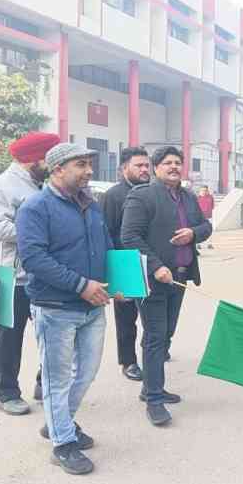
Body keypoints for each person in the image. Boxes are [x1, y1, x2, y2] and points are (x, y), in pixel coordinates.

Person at [17, 143, 114, 476]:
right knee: (57, 380)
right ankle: (62, 444)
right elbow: (34, 260)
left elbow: (105, 246)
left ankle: (57, 423)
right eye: (81, 165)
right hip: (56, 307)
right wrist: (81, 286)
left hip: (93, 306)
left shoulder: (90, 204)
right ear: (57, 169)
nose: (89, 171)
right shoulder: (35, 207)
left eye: (89, 165)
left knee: (85, 373)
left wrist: (119, 283)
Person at [121, 146, 212, 427]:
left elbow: (206, 226)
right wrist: (156, 266)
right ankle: (154, 400)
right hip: (153, 280)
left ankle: (151, 386)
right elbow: (129, 236)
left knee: (166, 334)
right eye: (168, 163)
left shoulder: (187, 197)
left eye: (178, 162)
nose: (174, 167)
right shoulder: (142, 195)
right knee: (156, 336)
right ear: (156, 167)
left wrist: (192, 233)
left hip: (181, 278)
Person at [0, 132, 60, 416]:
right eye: (49, 160)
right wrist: (35, 234)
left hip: (41, 274)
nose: (53, 166)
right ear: (35, 160)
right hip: (9, 275)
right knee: (9, 337)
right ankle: (6, 393)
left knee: (52, 331)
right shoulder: (1, 187)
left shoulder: (42, 185)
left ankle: (44, 383)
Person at [100, 147, 151, 381]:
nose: (144, 169)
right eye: (138, 165)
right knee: (127, 317)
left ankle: (155, 349)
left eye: (146, 165)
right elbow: (106, 232)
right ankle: (128, 360)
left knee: (155, 312)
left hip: (152, 261)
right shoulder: (113, 196)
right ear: (124, 169)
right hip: (125, 262)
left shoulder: (153, 191)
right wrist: (112, 273)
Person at [196, 185, 215, 250]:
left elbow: (212, 206)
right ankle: (198, 244)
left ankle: (209, 244)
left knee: (209, 230)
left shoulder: (210, 197)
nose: (204, 192)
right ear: (199, 191)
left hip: (209, 216)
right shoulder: (197, 198)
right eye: (202, 190)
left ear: (207, 191)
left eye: (205, 190)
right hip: (199, 217)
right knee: (199, 231)